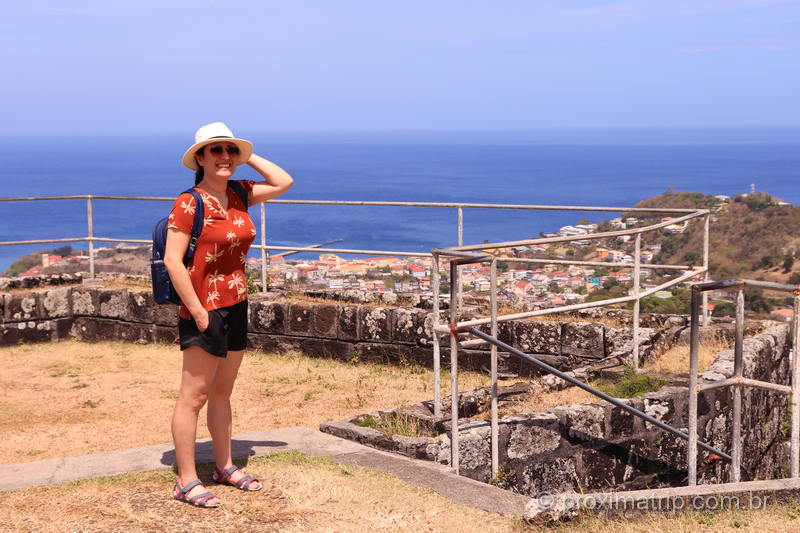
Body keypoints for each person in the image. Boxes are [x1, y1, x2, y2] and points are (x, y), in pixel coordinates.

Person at [165, 122, 293, 508]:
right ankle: (186, 481)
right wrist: (199, 312)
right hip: (203, 307)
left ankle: (224, 466)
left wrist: (246, 155)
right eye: (215, 150)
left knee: (222, 392)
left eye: (230, 151)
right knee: (195, 395)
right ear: (199, 158)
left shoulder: (239, 193)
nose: (224, 157)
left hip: (236, 302)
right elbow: (173, 260)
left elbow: (284, 180)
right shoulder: (190, 202)